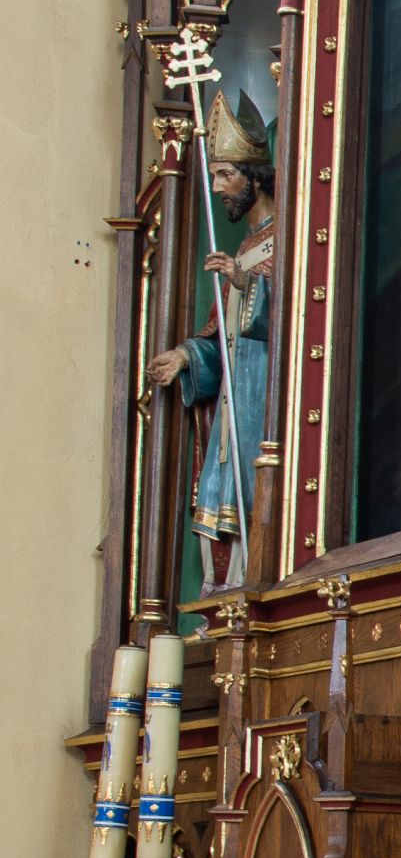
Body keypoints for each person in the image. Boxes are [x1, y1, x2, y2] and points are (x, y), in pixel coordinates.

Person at [148, 91, 273, 588]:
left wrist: (248, 284)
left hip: (263, 405)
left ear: (255, 178)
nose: (219, 187)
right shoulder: (242, 248)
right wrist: (186, 356)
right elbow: (221, 342)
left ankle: (246, 587)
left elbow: (297, 323)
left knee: (251, 493)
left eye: (226, 175)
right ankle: (221, 596)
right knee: (218, 495)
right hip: (231, 407)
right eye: (215, 175)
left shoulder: (287, 239)